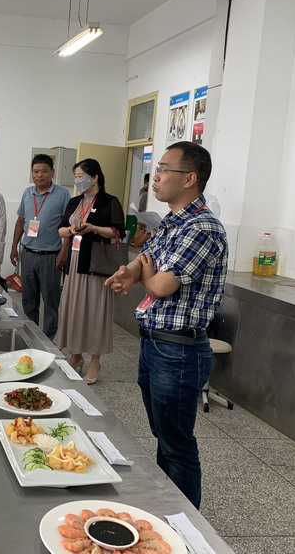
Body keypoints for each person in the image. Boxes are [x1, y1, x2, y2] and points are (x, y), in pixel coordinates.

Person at [105, 141, 228, 509]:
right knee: (163, 435)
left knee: (177, 444)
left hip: (179, 349)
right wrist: (130, 270)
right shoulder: (173, 222)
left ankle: (185, 524)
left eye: (162, 170)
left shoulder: (202, 228)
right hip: (157, 343)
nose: (155, 177)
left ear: (189, 178)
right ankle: (166, 508)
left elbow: (160, 285)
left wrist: (145, 273)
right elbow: (145, 258)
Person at [58, 159, 125, 384]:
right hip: (74, 262)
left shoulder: (109, 201)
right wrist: (70, 230)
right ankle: (75, 354)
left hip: (96, 263)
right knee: (74, 308)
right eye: (76, 177)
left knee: (96, 311)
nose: (77, 181)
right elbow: (60, 230)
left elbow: (118, 232)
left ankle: (95, 360)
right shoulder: (74, 201)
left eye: (81, 176)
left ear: (94, 177)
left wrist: (94, 228)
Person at [9, 154, 70, 340]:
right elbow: (20, 221)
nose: (39, 175)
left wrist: (64, 252)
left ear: (52, 172)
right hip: (28, 254)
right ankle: (31, 335)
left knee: (51, 301)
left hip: (51, 256)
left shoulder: (63, 194)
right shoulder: (27, 193)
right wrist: (14, 247)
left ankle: (47, 340)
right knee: (28, 299)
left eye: (44, 171)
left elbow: (69, 226)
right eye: (36, 171)